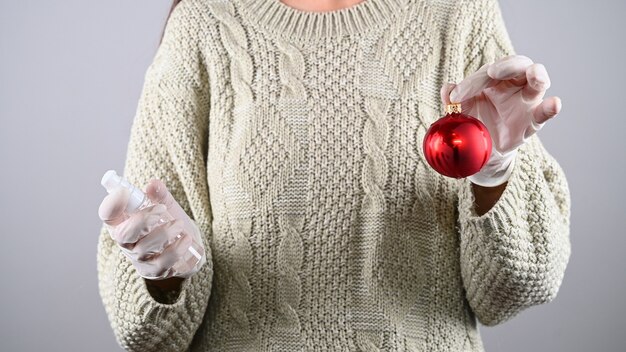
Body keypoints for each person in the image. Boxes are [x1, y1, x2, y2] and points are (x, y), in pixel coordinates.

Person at [97, 0, 572, 351]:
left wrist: (495, 174)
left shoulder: (458, 15)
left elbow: (519, 289)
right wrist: (163, 275)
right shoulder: (205, 25)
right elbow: (147, 334)